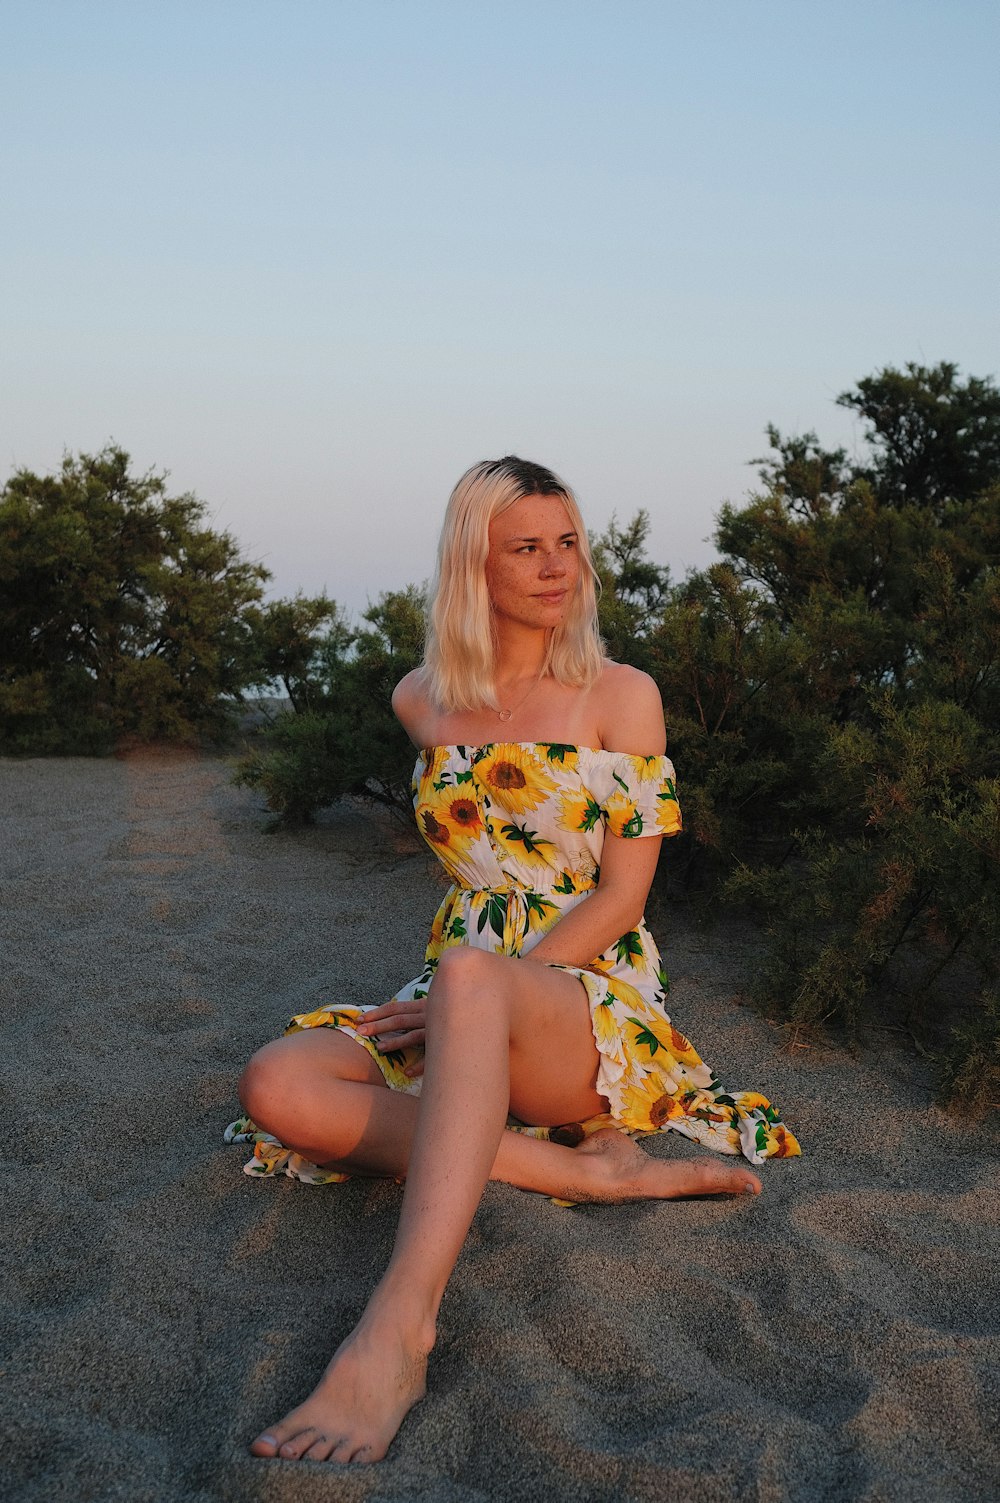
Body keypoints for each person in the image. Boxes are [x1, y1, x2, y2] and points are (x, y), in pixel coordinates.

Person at [230, 456, 799, 1466]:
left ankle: (398, 1331)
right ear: (472, 565)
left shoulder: (619, 695)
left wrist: (482, 988)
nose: (555, 567)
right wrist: (458, 996)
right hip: (460, 980)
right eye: (526, 547)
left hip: (583, 997)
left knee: (466, 982)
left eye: (568, 543)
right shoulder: (422, 699)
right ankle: (603, 1180)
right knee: (278, 1084)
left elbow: (623, 893)